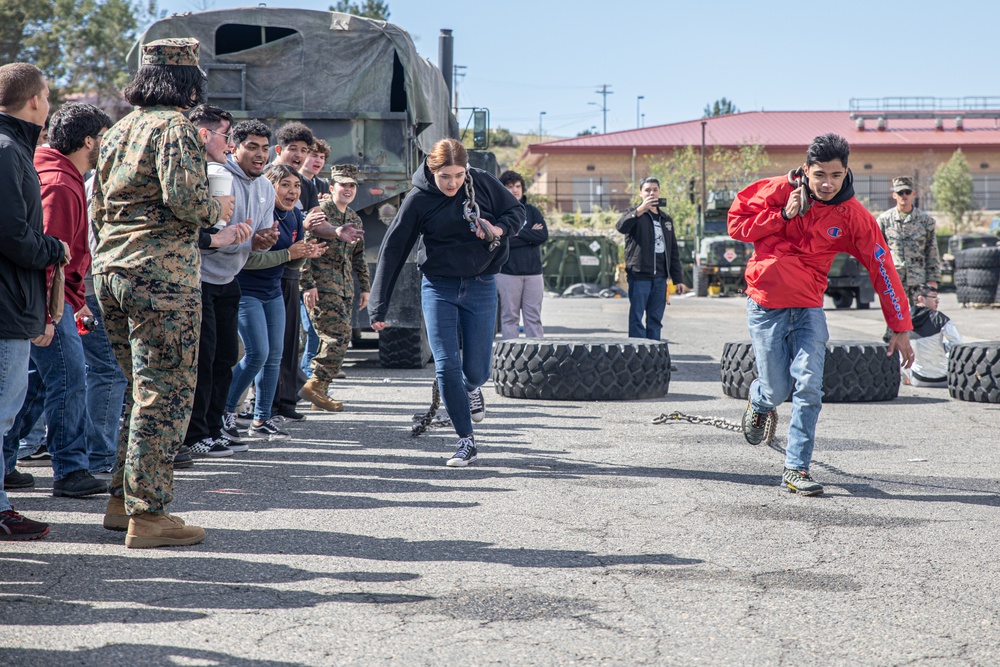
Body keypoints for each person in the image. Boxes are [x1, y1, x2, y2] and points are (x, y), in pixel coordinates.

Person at [91, 38, 234, 548]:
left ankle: (120, 500)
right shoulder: (176, 128)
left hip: (112, 271)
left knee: (140, 388)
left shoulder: (119, 130)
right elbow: (187, 201)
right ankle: (148, 514)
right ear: (190, 81)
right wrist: (221, 211)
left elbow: (98, 208)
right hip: (161, 277)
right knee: (166, 392)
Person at [728, 133, 915, 496]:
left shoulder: (854, 216)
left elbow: (882, 267)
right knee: (776, 388)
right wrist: (781, 214)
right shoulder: (777, 190)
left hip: (809, 309)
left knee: (809, 386)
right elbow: (736, 226)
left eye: (836, 174)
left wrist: (899, 325)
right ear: (806, 170)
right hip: (765, 305)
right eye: (820, 175)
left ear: (846, 172)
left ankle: (796, 469)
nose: (828, 183)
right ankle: (760, 399)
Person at [369, 138, 523, 466]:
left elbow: (517, 211)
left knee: (478, 371)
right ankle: (466, 440)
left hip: (481, 285)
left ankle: (471, 388)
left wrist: (497, 227)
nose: (452, 183)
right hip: (439, 287)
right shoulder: (418, 199)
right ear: (432, 170)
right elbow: (394, 248)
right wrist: (378, 304)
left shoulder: (481, 181)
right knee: (445, 366)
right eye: (444, 177)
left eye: (457, 175)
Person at [3, 102, 112, 499]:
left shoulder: (60, 172)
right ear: (89, 141)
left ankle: (7, 460)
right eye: (104, 138)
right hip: (47, 302)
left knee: (34, 385)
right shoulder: (60, 183)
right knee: (69, 378)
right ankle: (70, 469)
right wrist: (49, 314)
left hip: (56, 300)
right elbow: (49, 251)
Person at [0, 62, 68, 540]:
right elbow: (13, 235)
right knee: (2, 413)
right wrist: (55, 248)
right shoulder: (7, 150)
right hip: (4, 307)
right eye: (47, 94)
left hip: (10, 303)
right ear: (36, 101)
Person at [225, 163, 326, 440]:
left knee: (274, 357)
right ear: (270, 186)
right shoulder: (262, 215)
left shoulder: (295, 216)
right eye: (285, 185)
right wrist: (289, 254)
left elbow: (294, 262)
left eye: (296, 186)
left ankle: (262, 419)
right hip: (246, 291)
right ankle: (225, 413)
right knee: (257, 353)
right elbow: (248, 259)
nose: (292, 191)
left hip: (273, 293)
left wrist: (307, 253)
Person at [181, 105, 255, 460]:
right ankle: (194, 434)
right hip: (195, 280)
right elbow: (181, 229)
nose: (230, 145)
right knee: (203, 360)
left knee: (225, 355)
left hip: (227, 279)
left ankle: (212, 428)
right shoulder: (187, 169)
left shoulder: (222, 173)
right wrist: (216, 239)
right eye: (227, 135)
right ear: (206, 135)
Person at [218, 119, 282, 442]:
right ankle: (224, 414)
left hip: (243, 278)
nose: (260, 155)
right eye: (252, 147)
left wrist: (266, 239)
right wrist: (252, 243)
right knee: (254, 352)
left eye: (265, 148)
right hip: (222, 280)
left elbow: (258, 238)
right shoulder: (221, 178)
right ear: (235, 146)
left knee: (267, 353)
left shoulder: (266, 186)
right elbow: (211, 237)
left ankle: (255, 416)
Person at [299, 165, 369, 411]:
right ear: (332, 188)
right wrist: (307, 284)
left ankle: (320, 394)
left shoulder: (354, 218)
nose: (348, 189)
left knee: (330, 339)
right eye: (343, 185)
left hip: (345, 288)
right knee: (337, 338)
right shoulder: (321, 213)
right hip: (322, 286)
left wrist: (365, 288)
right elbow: (304, 249)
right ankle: (315, 385)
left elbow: (358, 257)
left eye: (352, 185)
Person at [270, 122, 324, 420]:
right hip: (265, 274)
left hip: (291, 271)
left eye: (305, 150)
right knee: (267, 347)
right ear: (279, 150)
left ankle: (285, 400)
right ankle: (264, 406)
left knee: (290, 340)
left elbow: (311, 225)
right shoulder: (267, 180)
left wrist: (336, 231)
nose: (300, 155)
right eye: (294, 149)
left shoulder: (308, 183)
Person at [616, 177, 688, 340]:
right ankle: (637, 358)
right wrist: (640, 210)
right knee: (637, 318)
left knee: (655, 319)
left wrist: (678, 279)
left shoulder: (666, 219)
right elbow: (621, 227)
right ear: (641, 193)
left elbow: (673, 251)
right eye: (647, 190)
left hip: (660, 278)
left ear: (659, 192)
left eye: (655, 189)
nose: (651, 193)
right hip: (640, 275)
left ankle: (655, 360)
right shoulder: (633, 214)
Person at [496, 170, 548, 339]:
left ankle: (537, 359)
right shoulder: (498, 214)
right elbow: (502, 242)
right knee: (510, 318)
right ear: (503, 189)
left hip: (534, 274)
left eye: (518, 186)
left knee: (533, 319)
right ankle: (510, 361)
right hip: (507, 273)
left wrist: (515, 232)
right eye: (510, 187)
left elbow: (542, 236)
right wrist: (529, 234)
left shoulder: (532, 211)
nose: (515, 190)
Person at [298, 139, 332, 376]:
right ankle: (305, 376)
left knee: (315, 327)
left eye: (322, 157)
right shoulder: (292, 183)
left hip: (315, 265)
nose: (318, 161)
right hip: (294, 265)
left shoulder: (321, 185)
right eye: (313, 155)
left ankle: (308, 376)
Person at [877, 176, 941, 295]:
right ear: (894, 195)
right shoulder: (884, 220)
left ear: (913, 194)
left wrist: (933, 279)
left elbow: (932, 251)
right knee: (896, 313)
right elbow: (878, 251)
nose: (904, 195)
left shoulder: (926, 221)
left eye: (907, 192)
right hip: (893, 280)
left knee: (920, 313)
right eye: (900, 192)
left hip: (918, 280)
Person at [904, 283, 961, 387]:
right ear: (921, 299)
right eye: (934, 297)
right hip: (944, 380)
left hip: (917, 380)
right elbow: (957, 344)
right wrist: (943, 348)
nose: (937, 300)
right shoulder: (939, 318)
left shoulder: (904, 320)